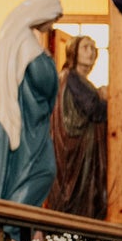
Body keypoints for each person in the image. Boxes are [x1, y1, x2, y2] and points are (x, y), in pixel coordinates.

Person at [0, 0, 62, 211]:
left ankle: (14, 227)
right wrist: (48, 62)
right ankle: (11, 224)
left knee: (38, 172)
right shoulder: (24, 41)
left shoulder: (24, 38)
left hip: (34, 121)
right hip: (27, 124)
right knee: (42, 171)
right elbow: (43, 79)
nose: (54, 24)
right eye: (54, 17)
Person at [47, 35, 108, 219]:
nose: (91, 52)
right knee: (76, 204)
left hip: (81, 153)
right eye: (85, 47)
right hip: (73, 154)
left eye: (93, 48)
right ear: (73, 51)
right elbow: (93, 109)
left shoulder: (79, 81)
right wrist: (104, 97)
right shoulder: (72, 78)